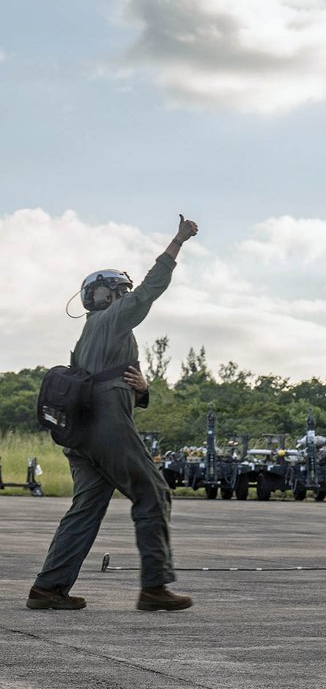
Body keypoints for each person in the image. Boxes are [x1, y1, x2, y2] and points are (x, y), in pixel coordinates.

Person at [27, 215, 199, 612]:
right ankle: (154, 588)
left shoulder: (91, 332)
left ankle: (48, 588)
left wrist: (144, 390)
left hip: (80, 435)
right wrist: (177, 241)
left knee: (86, 507)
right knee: (154, 493)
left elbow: (111, 380)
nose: (125, 294)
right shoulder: (112, 319)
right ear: (105, 296)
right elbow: (152, 289)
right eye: (119, 290)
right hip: (106, 427)